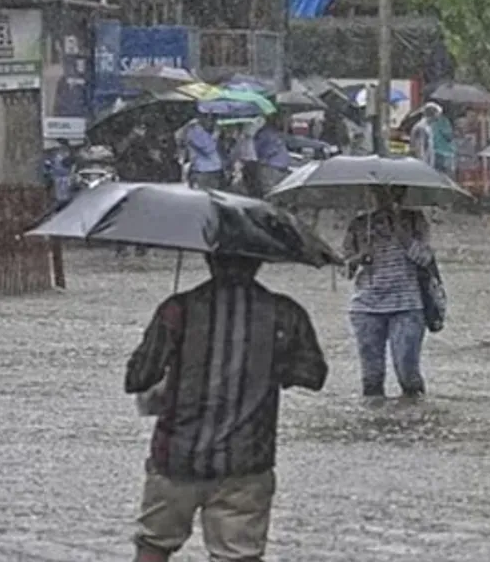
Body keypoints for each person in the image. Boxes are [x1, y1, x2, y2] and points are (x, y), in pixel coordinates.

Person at [124, 253, 328, 562]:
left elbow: (137, 378)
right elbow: (313, 375)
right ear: (260, 261)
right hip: (247, 461)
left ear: (210, 259)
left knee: (154, 543)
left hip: (177, 457)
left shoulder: (178, 310)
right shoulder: (285, 314)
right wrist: (270, 364)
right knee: (238, 555)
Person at [343, 186, 435, 398]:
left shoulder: (414, 220)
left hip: (407, 305)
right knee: (371, 377)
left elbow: (424, 259)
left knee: (407, 373)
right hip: (366, 307)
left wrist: (400, 232)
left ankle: (414, 417)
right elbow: (344, 269)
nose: (385, 199)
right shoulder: (358, 225)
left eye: (393, 193)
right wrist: (360, 257)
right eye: (378, 193)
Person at [253, 113, 293, 196]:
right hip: (272, 168)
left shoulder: (275, 133)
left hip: (278, 168)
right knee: (272, 192)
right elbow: (257, 148)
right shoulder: (266, 133)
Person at [185, 114, 224, 190]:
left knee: (210, 192)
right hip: (205, 170)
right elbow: (207, 150)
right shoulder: (196, 131)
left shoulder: (200, 132)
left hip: (209, 169)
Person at [42, 138, 75, 209]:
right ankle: (62, 200)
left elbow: (70, 163)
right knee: (60, 186)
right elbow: (49, 162)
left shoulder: (64, 153)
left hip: (62, 174)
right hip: (58, 174)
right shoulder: (55, 154)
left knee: (63, 186)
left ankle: (64, 199)